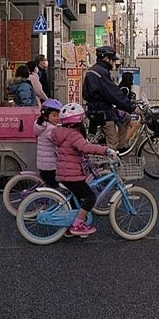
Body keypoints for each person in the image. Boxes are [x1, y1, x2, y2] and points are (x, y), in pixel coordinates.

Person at [51, 102, 116, 237]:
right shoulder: (74, 135)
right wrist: (106, 150)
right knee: (90, 198)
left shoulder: (64, 133)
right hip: (71, 175)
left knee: (75, 200)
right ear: (77, 121)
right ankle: (77, 225)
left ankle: (69, 226)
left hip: (64, 173)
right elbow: (86, 147)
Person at [82, 46, 136, 150]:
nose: (113, 63)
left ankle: (120, 148)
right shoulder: (101, 73)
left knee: (126, 118)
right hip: (103, 113)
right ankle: (110, 161)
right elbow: (114, 94)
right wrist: (132, 107)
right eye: (112, 59)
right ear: (106, 58)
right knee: (112, 143)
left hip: (98, 109)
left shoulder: (95, 70)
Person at [34, 98, 63, 188]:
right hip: (50, 166)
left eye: (59, 115)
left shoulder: (41, 125)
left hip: (43, 164)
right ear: (46, 116)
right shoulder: (50, 129)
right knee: (55, 186)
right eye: (54, 115)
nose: (57, 118)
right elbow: (59, 141)